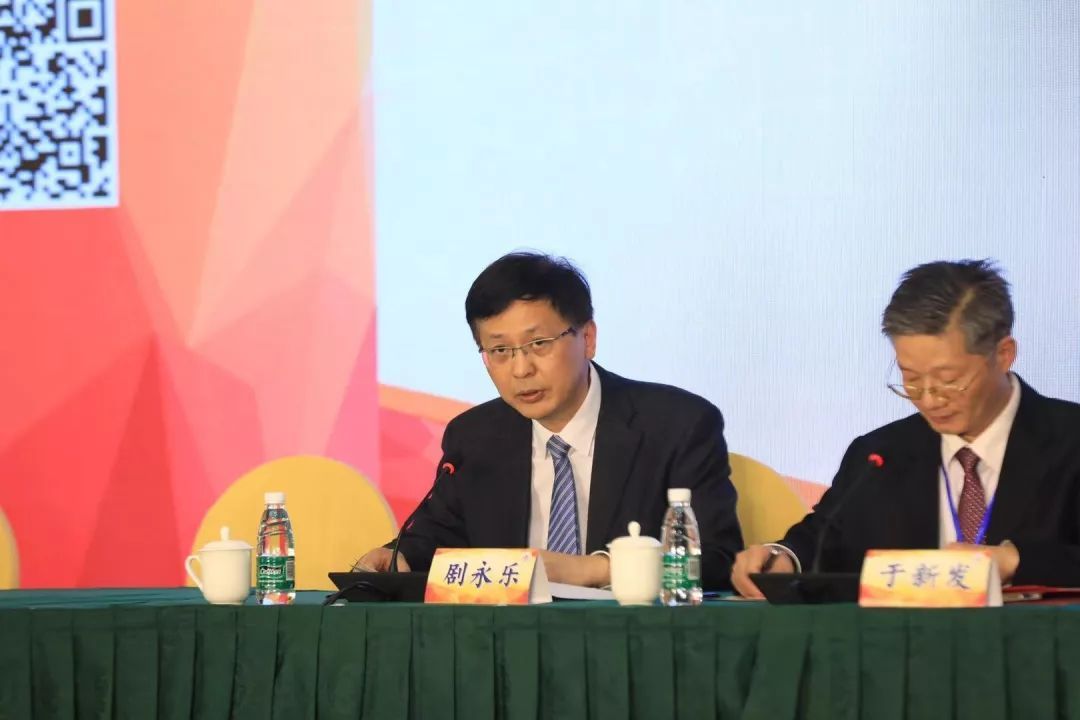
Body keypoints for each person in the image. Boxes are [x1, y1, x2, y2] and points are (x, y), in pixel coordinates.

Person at [358, 251, 743, 589]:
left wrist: (593, 570)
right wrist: (398, 557)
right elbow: (436, 537)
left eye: (538, 344)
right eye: (500, 350)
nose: (521, 369)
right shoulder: (474, 437)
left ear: (587, 338)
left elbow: (716, 559)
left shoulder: (677, 426)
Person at [733, 259, 1080, 597]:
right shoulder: (879, 455)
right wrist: (782, 557)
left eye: (948, 379)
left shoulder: (1069, 440)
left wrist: (1016, 561)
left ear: (1004, 354)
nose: (928, 398)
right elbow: (822, 539)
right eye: (910, 378)